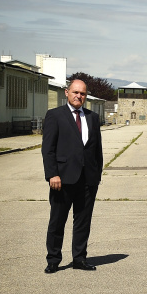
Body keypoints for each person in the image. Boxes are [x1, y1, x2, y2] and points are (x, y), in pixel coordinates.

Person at [41, 79, 104, 273]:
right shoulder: (55, 116)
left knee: (83, 221)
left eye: (83, 93)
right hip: (62, 179)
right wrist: (53, 174)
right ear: (67, 93)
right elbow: (48, 149)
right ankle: (53, 260)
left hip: (88, 180)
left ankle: (79, 259)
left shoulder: (92, 117)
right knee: (57, 220)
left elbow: (97, 150)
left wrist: (97, 175)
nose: (79, 96)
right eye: (75, 92)